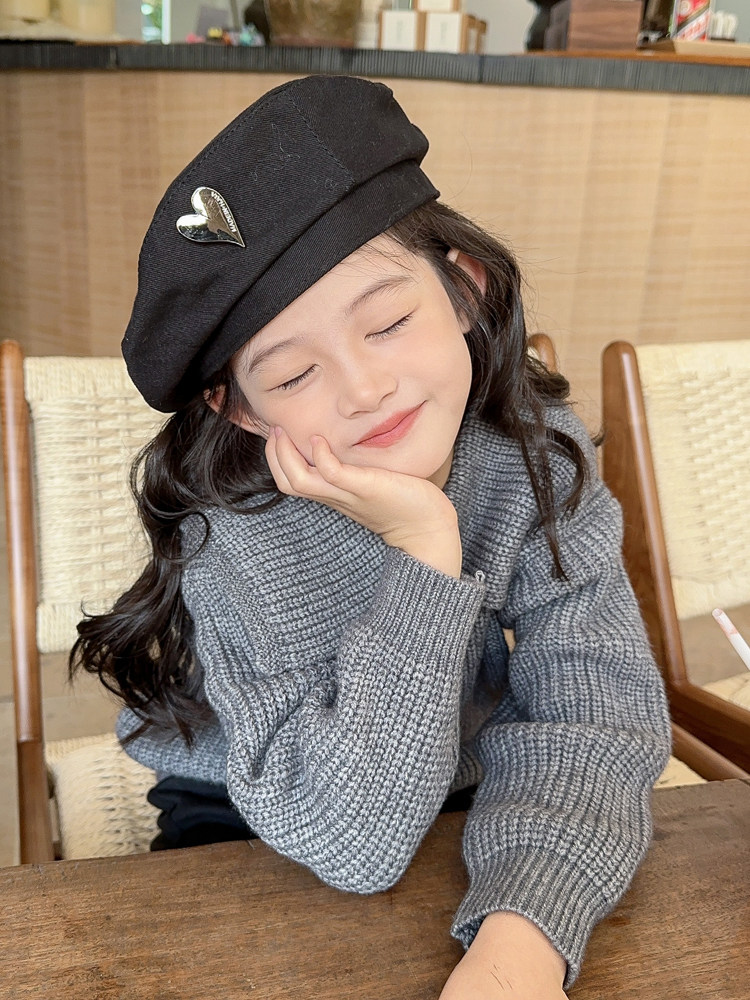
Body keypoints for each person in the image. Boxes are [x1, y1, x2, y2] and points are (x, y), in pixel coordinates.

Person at [71, 75, 671, 999]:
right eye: (294, 375)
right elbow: (355, 842)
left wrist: (524, 936)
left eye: (388, 322)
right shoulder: (234, 542)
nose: (363, 390)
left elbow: (596, 715)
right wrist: (425, 553)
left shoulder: (537, 461)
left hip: (459, 789)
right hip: (260, 815)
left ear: (464, 289)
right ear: (241, 409)